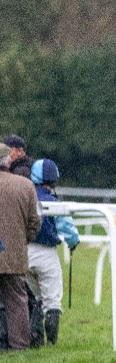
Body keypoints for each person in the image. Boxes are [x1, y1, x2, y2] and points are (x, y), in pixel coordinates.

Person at [26, 159, 80, 346]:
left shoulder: (26, 197)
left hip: (24, 252)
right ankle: (52, 344)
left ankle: (35, 339)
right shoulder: (54, 202)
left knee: (36, 298)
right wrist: (74, 243)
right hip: (46, 254)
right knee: (52, 301)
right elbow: (69, 231)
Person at [0, 143, 42, 351]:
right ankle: (20, 346)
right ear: (8, 161)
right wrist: (22, 240)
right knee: (17, 300)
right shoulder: (25, 186)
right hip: (14, 255)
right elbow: (36, 222)